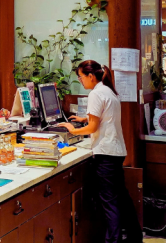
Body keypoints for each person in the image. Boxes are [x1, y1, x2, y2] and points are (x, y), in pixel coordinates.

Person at [56, 60, 142, 243]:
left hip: (106, 155)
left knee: (109, 203)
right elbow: (102, 117)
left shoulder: (96, 94)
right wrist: (84, 118)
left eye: (80, 77)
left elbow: (93, 128)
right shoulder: (108, 90)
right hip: (116, 151)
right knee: (122, 199)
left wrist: (73, 130)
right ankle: (135, 237)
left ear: (91, 76)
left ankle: (113, 240)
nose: (80, 81)